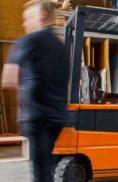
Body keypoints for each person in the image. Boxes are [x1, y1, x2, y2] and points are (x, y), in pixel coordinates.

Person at [1, 0, 69, 182]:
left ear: (41, 16)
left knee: (40, 173)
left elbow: (8, 78)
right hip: (57, 118)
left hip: (36, 117)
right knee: (46, 167)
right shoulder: (62, 48)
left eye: (27, 18)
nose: (24, 23)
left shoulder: (28, 41)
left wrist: (23, 86)